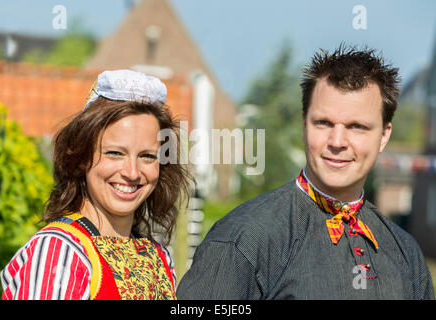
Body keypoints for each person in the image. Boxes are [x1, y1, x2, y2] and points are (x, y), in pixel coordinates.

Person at [177, 44, 435, 300]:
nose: (337, 141)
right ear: (304, 124)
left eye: (357, 126)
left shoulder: (406, 254)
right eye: (323, 123)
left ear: (383, 135)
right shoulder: (243, 239)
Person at [0, 70, 192, 300]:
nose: (132, 172)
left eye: (148, 156)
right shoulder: (60, 250)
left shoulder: (158, 256)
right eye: (114, 153)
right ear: (81, 158)